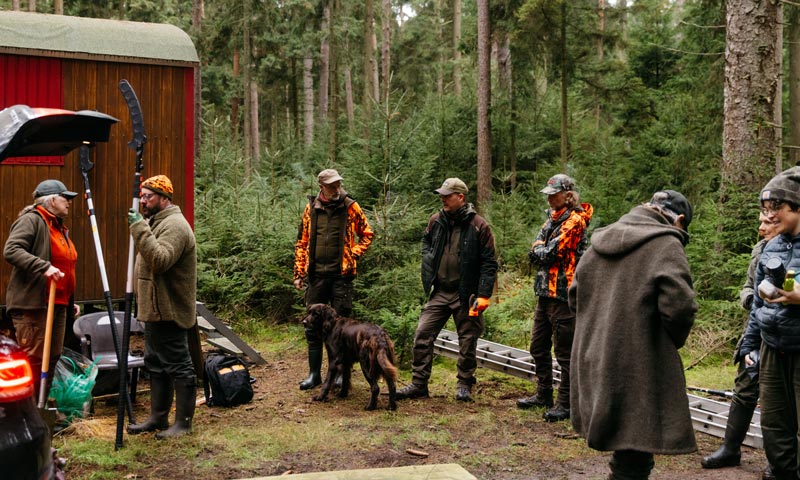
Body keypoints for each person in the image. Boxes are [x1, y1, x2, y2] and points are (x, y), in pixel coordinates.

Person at [568, 190, 698, 479]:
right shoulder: (666, 243)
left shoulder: (601, 240)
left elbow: (575, 295)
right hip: (640, 360)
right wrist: (667, 341)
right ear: (678, 220)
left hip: (596, 354)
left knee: (627, 448)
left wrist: (598, 329)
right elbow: (680, 307)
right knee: (635, 451)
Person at [395, 178, 498, 402]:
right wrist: (428, 258)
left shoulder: (479, 225)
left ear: (460, 197)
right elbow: (426, 241)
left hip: (466, 293)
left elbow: (489, 263)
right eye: (441, 195)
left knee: (467, 340)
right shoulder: (436, 220)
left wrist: (483, 295)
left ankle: (464, 384)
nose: (443, 199)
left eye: (447, 196)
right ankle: (419, 384)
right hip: (440, 290)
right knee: (423, 333)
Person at [701, 213, 777, 479]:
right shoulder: (760, 249)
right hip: (755, 330)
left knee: (777, 400)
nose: (761, 227)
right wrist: (751, 299)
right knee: (744, 390)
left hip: (783, 335)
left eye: (767, 222)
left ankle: (779, 461)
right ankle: (730, 449)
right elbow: (747, 286)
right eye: (761, 221)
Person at [516, 174, 592, 422]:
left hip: (564, 296)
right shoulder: (552, 219)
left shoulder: (575, 221)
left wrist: (539, 249)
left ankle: (566, 403)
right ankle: (544, 394)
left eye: (554, 194)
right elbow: (534, 251)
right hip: (544, 293)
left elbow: (549, 253)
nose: (549, 198)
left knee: (564, 353)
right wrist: (539, 249)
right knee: (538, 347)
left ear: (567, 195)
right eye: (548, 194)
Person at [126, 175, 197, 439]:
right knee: (155, 364)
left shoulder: (175, 226)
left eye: (149, 196)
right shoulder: (156, 222)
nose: (143, 201)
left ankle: (183, 424)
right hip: (155, 310)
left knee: (179, 365)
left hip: (170, 309)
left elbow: (160, 260)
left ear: (164, 198)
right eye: (142, 196)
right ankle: (158, 418)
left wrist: (139, 228)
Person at [740, 166, 800, 480]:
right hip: (772, 346)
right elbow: (759, 304)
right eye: (765, 208)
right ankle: (782, 471)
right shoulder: (772, 246)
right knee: (775, 421)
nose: (769, 214)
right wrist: (749, 345)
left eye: (777, 206)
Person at [293, 168, 374, 390]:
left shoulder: (350, 206)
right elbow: (302, 241)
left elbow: (367, 234)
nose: (336, 188)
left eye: (338, 184)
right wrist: (299, 273)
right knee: (312, 326)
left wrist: (353, 254)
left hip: (342, 277)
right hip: (316, 276)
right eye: (331, 185)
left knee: (342, 328)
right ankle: (314, 375)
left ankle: (340, 374)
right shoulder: (311, 208)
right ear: (322, 187)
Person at [4, 179, 78, 399]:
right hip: (35, 305)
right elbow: (12, 250)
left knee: (52, 357)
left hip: (58, 304)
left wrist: (70, 301)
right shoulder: (32, 220)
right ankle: (25, 410)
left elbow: (65, 266)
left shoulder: (59, 227)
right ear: (51, 200)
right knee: (34, 360)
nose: (69, 202)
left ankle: (41, 406)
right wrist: (43, 266)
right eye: (65, 198)